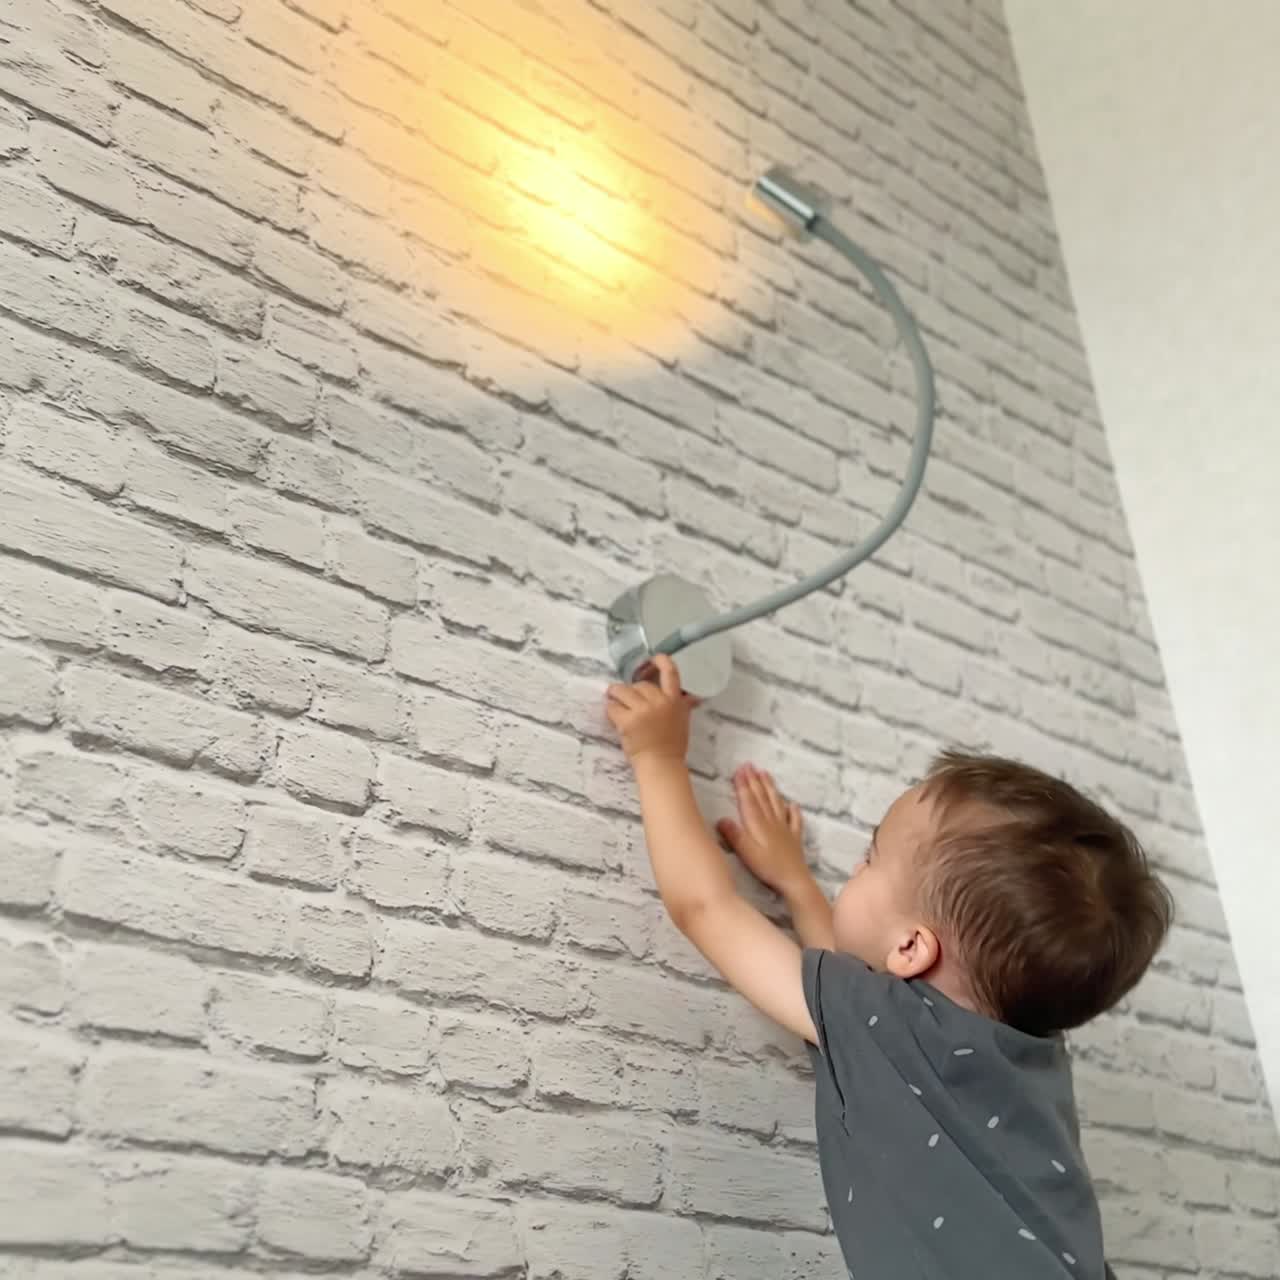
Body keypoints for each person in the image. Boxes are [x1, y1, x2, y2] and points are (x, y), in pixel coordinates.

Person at [606, 655, 1172, 1279]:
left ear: (911, 950)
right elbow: (852, 999)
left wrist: (657, 757)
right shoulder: (1030, 1062)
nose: (856, 867)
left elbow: (706, 908)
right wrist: (796, 884)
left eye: (870, 858)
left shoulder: (889, 1026)